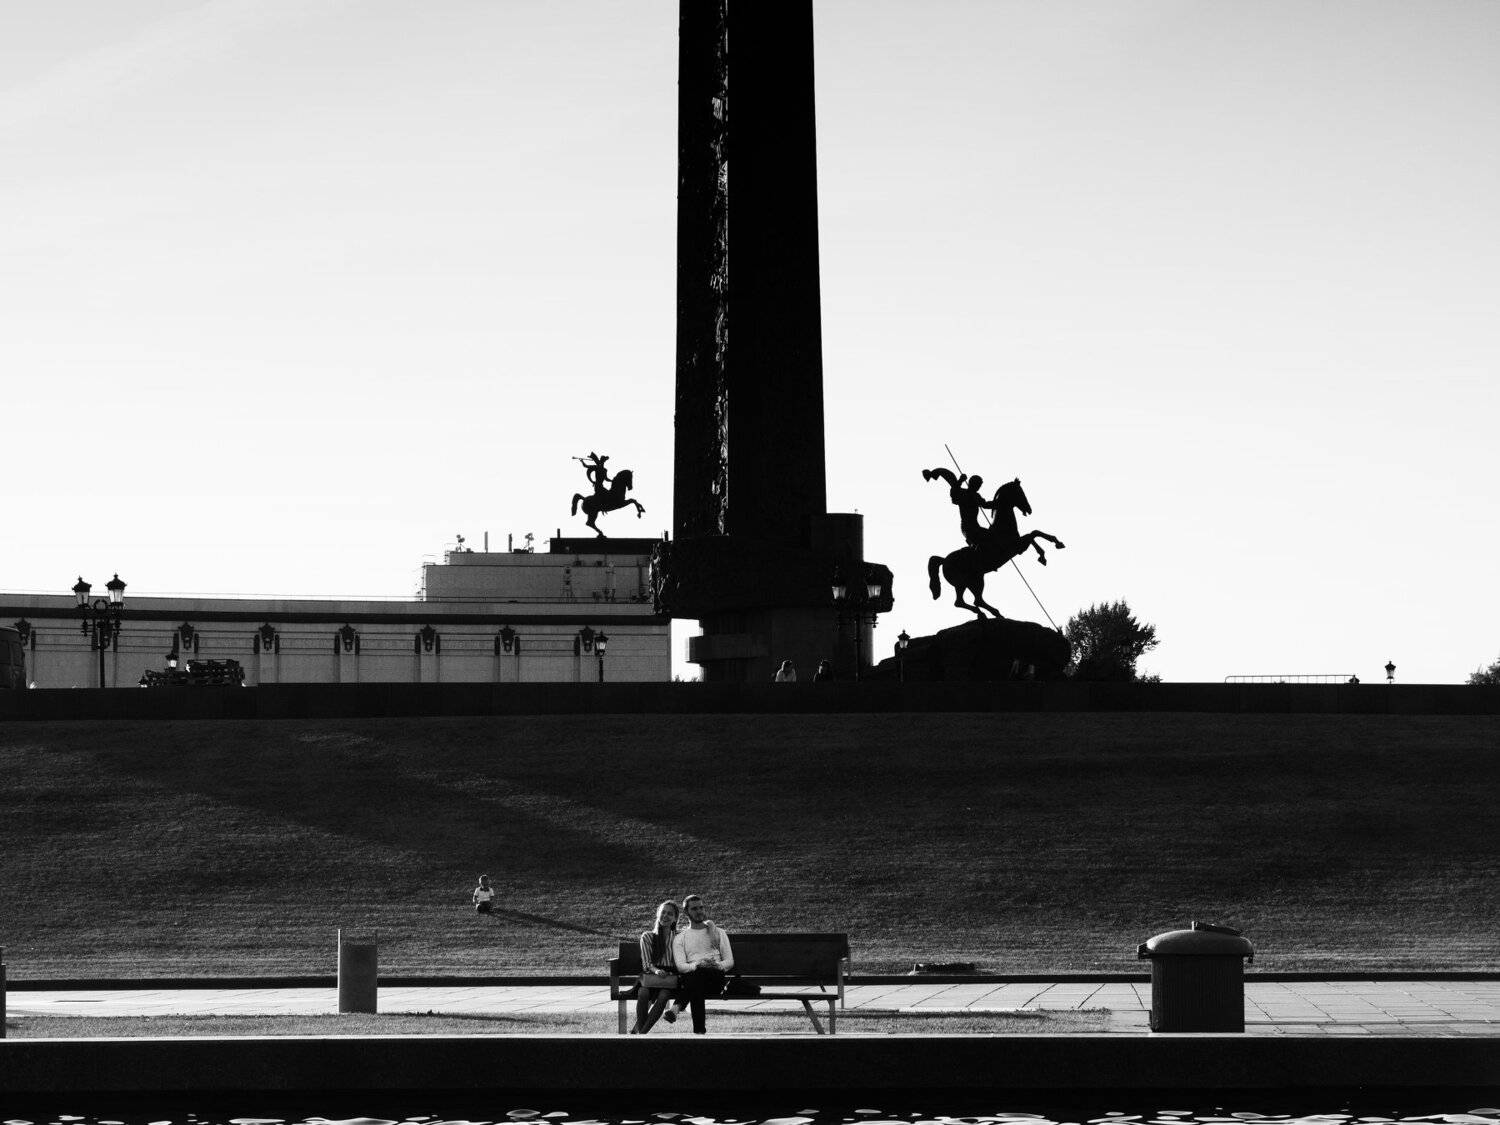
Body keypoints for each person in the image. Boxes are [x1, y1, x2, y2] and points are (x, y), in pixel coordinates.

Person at [671, 893, 734, 1034]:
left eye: (701, 907)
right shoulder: (680, 938)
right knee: (696, 981)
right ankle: (699, 1033)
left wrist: (714, 966)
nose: (699, 911)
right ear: (686, 912)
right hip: (694, 978)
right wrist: (698, 965)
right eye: (694, 909)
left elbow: (729, 962)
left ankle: (676, 1007)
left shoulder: (718, 932)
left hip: (715, 979)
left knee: (695, 980)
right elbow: (681, 966)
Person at [631, 900, 681, 1034]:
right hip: (651, 975)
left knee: (664, 995)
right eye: (663, 912)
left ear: (675, 918)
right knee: (643, 992)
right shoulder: (647, 936)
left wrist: (670, 972)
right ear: (658, 914)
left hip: (669, 978)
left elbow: (679, 962)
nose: (665, 916)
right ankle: (642, 1034)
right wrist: (657, 971)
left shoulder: (678, 937)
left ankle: (640, 1033)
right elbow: (647, 964)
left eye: (670, 914)